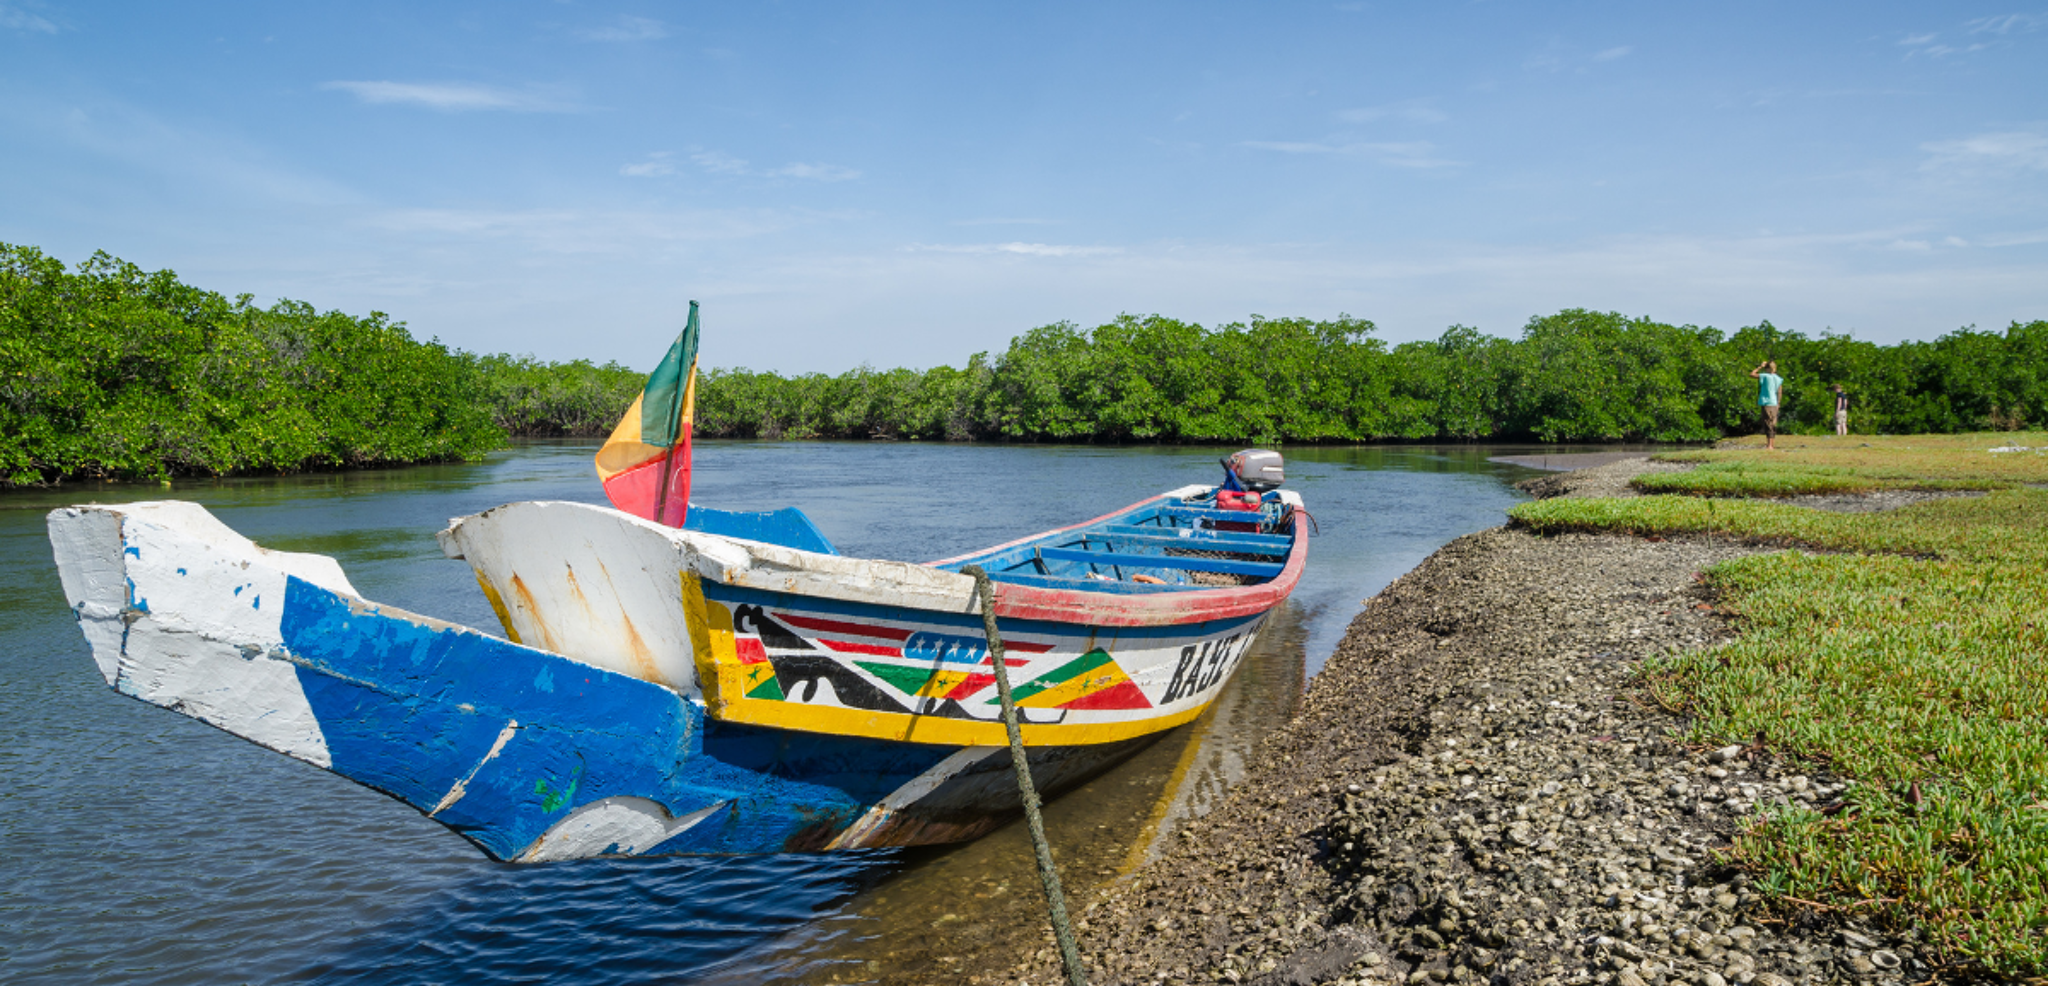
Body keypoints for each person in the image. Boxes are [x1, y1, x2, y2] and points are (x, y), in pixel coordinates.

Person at [1749, 360, 1784, 450]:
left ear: (1768, 368)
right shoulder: (1778, 378)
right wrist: (1778, 403)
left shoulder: (1765, 376)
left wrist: (1760, 366)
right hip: (1774, 403)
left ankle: (1769, 445)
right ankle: (1771, 444)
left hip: (1766, 402)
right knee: (1772, 423)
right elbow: (1780, 392)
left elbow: (1752, 374)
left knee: (1767, 423)